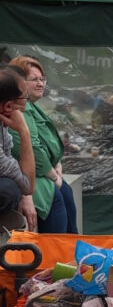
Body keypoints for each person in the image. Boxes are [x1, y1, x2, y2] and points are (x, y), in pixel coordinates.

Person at [8, 56, 78, 233]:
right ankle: (58, 256)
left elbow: (47, 142)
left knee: (66, 199)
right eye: (34, 80)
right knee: (57, 202)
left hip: (36, 174)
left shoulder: (32, 106)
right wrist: (53, 177)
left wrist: (56, 164)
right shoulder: (20, 109)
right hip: (29, 176)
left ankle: (68, 256)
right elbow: (28, 148)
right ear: (18, 82)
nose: (40, 84)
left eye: (42, 79)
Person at [0, 67, 36, 231]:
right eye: (25, 97)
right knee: (9, 190)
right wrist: (24, 132)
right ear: (8, 106)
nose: (27, 103)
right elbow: (27, 185)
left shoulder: (3, 125)